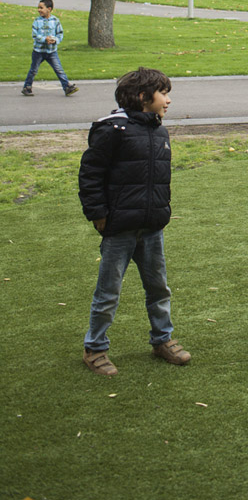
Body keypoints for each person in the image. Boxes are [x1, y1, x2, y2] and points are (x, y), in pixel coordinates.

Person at [78, 67, 191, 376]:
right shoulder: (113, 130)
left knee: (158, 288)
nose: (168, 100)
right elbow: (90, 174)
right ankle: (95, 348)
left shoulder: (158, 130)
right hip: (119, 230)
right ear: (143, 97)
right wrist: (98, 214)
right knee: (108, 292)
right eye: (163, 93)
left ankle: (162, 339)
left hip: (152, 228)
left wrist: (158, 213)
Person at [21, 0, 79, 97]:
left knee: (59, 69)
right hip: (38, 51)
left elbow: (60, 34)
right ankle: (27, 87)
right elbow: (35, 36)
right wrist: (45, 39)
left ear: (49, 9)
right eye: (38, 8)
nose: (39, 10)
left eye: (41, 8)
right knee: (33, 70)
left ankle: (67, 87)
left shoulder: (55, 21)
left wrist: (55, 40)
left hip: (51, 51)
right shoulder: (37, 21)